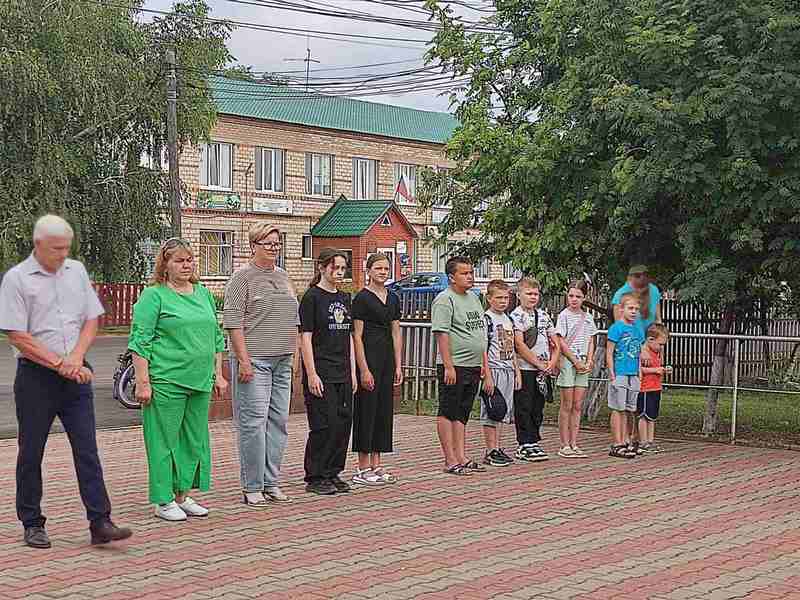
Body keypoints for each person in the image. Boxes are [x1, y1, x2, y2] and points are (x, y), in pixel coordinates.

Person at [0, 214, 132, 548]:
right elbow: (17, 335)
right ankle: (32, 522)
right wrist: (60, 363)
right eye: (56, 248)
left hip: (76, 373)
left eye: (66, 248)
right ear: (38, 244)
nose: (63, 254)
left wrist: (75, 358)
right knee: (31, 451)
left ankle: (100, 521)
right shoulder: (16, 280)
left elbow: (92, 318)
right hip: (35, 378)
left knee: (87, 448)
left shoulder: (76, 271)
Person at [129, 238, 227, 521]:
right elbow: (139, 341)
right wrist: (143, 382)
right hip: (166, 380)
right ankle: (163, 500)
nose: (186, 265)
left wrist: (218, 374)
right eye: (179, 260)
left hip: (199, 381)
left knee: (193, 440)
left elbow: (216, 338)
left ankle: (182, 495)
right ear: (165, 265)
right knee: (163, 441)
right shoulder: (154, 296)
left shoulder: (203, 294)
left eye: (189, 259)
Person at [224, 223, 299, 507]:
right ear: (253, 245)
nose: (273, 248)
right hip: (254, 361)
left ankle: (271, 482)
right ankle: (252, 485)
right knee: (253, 424)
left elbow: (294, 319)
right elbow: (233, 322)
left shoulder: (283, 277)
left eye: (277, 244)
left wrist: (293, 357)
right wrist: (243, 361)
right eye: (267, 243)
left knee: (278, 423)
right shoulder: (241, 278)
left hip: (282, 360)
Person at [299, 248, 357, 495]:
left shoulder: (345, 298)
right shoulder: (312, 297)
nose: (339, 272)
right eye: (335, 267)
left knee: (343, 422)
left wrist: (353, 371)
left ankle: (333, 471)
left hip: (342, 369)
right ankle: (315, 475)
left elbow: (350, 338)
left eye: (343, 268)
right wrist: (311, 373)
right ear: (322, 268)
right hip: (321, 369)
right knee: (325, 422)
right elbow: (305, 338)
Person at [431, 256, 487, 476]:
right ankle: (450, 459)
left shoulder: (474, 298)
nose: (470, 277)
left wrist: (483, 363)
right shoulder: (445, 300)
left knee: (462, 412)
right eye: (465, 273)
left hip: (473, 364)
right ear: (452, 277)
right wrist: (448, 365)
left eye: (471, 272)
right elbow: (442, 333)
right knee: (448, 410)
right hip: (455, 364)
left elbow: (479, 333)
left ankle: (462, 455)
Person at [351, 253, 403, 485]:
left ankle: (377, 464)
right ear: (368, 270)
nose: (383, 272)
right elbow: (357, 336)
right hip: (369, 357)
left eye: (386, 268)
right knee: (367, 409)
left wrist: (399, 363)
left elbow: (396, 331)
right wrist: (363, 368)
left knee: (383, 411)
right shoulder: (361, 298)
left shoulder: (393, 298)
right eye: (378, 268)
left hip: (387, 359)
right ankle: (362, 467)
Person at [509, 277, 560, 462]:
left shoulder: (544, 315)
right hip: (525, 368)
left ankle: (534, 439)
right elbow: (519, 345)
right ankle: (524, 443)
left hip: (543, 370)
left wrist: (552, 363)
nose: (533, 297)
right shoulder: (516, 316)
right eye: (529, 293)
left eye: (536, 294)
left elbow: (555, 342)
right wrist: (538, 364)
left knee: (538, 406)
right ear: (519, 294)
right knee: (524, 405)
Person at [555, 279, 598, 458]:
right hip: (568, 362)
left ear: (584, 298)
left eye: (578, 296)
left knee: (578, 405)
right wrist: (574, 361)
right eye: (571, 295)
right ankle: (564, 444)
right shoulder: (563, 316)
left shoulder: (588, 317)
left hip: (582, 363)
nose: (574, 299)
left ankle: (574, 442)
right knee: (567, 404)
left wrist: (589, 360)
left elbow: (591, 340)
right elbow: (561, 342)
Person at [480, 280, 521, 466]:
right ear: (489, 298)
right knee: (491, 410)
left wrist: (517, 371)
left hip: (508, 369)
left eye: (506, 298)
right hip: (493, 369)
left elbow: (512, 348)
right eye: (499, 298)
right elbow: (483, 348)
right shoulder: (486, 319)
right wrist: (486, 375)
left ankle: (497, 446)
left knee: (502, 411)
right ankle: (490, 449)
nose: (503, 301)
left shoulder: (509, 319)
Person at [606, 293, 644, 459]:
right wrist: (612, 372)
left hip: (633, 373)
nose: (634, 311)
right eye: (630, 308)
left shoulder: (638, 329)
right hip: (620, 372)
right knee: (618, 408)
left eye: (636, 308)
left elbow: (640, 352)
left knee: (630, 409)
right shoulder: (616, 328)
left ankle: (628, 439)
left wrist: (640, 371)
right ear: (622, 309)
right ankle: (617, 442)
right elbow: (609, 352)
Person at [638, 323, 671, 453]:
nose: (661, 347)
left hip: (656, 387)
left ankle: (650, 440)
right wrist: (655, 370)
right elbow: (639, 369)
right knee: (643, 415)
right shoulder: (643, 352)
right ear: (650, 340)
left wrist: (663, 369)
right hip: (645, 388)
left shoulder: (656, 352)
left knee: (652, 416)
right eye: (660, 344)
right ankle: (643, 441)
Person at [612, 265, 662, 339]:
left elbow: (658, 319)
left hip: (650, 342)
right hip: (631, 342)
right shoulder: (620, 294)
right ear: (630, 278)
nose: (642, 278)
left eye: (645, 275)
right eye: (638, 276)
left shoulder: (654, 290)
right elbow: (619, 325)